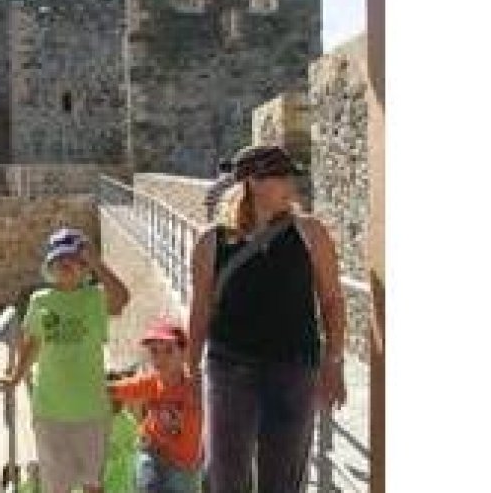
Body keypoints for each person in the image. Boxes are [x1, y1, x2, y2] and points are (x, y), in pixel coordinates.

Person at [186, 145, 348, 493]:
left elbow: (332, 301)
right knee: (224, 476)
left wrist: (334, 362)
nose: (292, 184)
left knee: (284, 480)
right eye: (283, 177)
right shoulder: (211, 242)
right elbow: (200, 311)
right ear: (254, 183)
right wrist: (190, 371)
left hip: (294, 369)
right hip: (229, 368)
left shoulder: (310, 233)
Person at [0, 227, 131, 493]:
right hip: (49, 410)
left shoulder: (96, 296)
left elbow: (122, 300)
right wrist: (15, 378)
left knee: (92, 485)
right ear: (49, 266)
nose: (65, 264)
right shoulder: (40, 300)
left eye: (73, 259)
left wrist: (97, 263)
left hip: (91, 410)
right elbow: (31, 343)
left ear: (84, 267)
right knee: (57, 487)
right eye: (59, 260)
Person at [109, 320, 202, 493]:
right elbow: (122, 388)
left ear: (184, 353)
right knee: (148, 484)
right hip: (153, 453)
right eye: (154, 352)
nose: (160, 358)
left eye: (168, 351)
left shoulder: (195, 388)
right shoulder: (151, 383)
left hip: (185, 465)